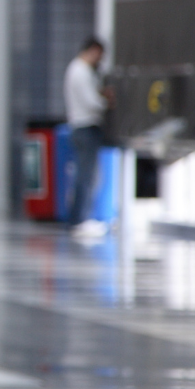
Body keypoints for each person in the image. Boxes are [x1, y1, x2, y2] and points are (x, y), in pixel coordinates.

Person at [65, 36, 111, 240]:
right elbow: (91, 102)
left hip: (81, 127)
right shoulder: (81, 71)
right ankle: (80, 219)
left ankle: (79, 218)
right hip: (85, 127)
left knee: (86, 175)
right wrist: (107, 101)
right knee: (85, 176)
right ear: (93, 50)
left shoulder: (77, 69)